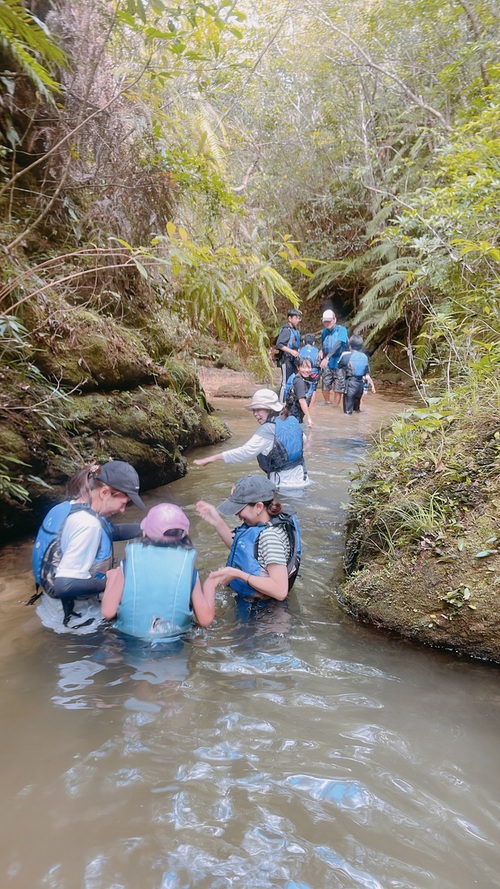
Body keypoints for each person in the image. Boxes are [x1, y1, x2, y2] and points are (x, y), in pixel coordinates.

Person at [35, 460, 145, 632]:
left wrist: (147, 528)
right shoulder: (88, 524)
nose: (123, 510)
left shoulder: (68, 508)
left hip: (51, 609)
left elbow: (109, 531)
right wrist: (112, 582)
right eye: (124, 502)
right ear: (105, 493)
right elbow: (64, 585)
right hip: (77, 621)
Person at [101, 503, 216, 638]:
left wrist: (111, 579)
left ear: (145, 532)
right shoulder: (187, 566)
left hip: (130, 643)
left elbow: (107, 612)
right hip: (174, 645)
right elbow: (205, 620)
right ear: (185, 535)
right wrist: (210, 584)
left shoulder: (129, 563)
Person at [196, 475, 301, 602]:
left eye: (239, 508)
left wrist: (236, 574)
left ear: (258, 507)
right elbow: (245, 550)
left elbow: (280, 591)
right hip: (255, 606)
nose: (236, 513)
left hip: (267, 614)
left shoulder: (270, 537)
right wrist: (216, 521)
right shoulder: (260, 525)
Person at [193, 388, 309, 490]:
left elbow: (244, 452)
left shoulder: (267, 429)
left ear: (270, 409)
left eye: (259, 409)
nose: (255, 413)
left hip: (283, 487)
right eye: (254, 410)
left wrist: (213, 458)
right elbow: (302, 439)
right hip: (303, 480)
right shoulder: (292, 420)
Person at [338, 335, 375, 414]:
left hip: (350, 384)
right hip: (360, 386)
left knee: (347, 412)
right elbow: (366, 372)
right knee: (357, 410)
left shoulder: (346, 355)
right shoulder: (364, 357)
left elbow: (339, 366)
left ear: (350, 345)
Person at [318, 309, 349, 406]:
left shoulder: (342, 330)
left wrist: (327, 358)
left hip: (339, 362)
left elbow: (339, 343)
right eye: (325, 322)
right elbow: (323, 344)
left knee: (338, 387)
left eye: (329, 321)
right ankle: (327, 403)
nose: (327, 323)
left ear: (334, 319)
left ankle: (335, 407)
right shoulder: (324, 332)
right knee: (325, 385)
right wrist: (321, 350)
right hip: (328, 362)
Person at [275, 308, 302, 402]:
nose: (298, 320)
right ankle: (281, 403)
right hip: (286, 360)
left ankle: (289, 401)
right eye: (296, 318)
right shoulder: (286, 330)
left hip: (293, 361)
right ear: (290, 318)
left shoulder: (295, 330)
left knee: (292, 381)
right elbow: (279, 344)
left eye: (299, 318)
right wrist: (291, 351)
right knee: (285, 383)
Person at [283, 358, 315, 427]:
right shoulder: (298, 381)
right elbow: (302, 401)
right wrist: (309, 418)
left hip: (290, 417)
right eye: (303, 367)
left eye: (309, 367)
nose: (306, 370)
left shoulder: (304, 380)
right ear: (298, 367)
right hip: (292, 418)